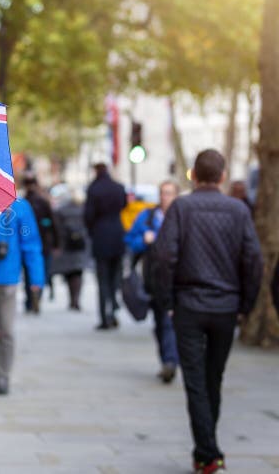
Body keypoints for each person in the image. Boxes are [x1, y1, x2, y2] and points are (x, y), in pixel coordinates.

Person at [152, 149, 262, 474]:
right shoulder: (239, 210)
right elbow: (254, 260)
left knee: (197, 382)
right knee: (213, 378)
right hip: (226, 307)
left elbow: (163, 257)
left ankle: (207, 453)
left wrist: (167, 301)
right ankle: (208, 452)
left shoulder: (182, 208)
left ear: (194, 176)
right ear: (223, 176)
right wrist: (246, 305)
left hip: (188, 305)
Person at [0, 198, 44, 395]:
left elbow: (31, 244)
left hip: (9, 277)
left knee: (7, 331)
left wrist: (36, 278)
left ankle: (3, 376)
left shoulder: (21, 207)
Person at [124, 180, 181, 383]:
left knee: (171, 322)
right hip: (154, 278)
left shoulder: (183, 218)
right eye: (163, 193)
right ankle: (167, 360)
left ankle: (171, 361)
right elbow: (130, 241)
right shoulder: (147, 217)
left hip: (178, 279)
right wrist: (143, 241)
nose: (166, 197)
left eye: (170, 193)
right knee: (160, 321)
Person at [84, 162, 128, 330]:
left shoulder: (94, 189)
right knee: (115, 276)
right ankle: (114, 309)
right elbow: (124, 205)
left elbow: (88, 215)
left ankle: (104, 317)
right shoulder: (118, 187)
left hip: (101, 235)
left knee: (102, 280)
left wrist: (92, 230)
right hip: (117, 233)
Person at [21, 174, 56, 310]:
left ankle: (31, 299)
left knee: (29, 273)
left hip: (29, 242)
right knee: (39, 271)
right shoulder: (42, 202)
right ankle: (36, 295)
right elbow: (52, 223)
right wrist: (56, 242)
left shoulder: (23, 203)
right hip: (42, 242)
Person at [51, 187, 88, 311]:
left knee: (69, 273)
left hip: (66, 245)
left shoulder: (60, 210)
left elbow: (57, 228)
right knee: (78, 272)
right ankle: (76, 299)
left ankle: (72, 299)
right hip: (80, 244)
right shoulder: (83, 209)